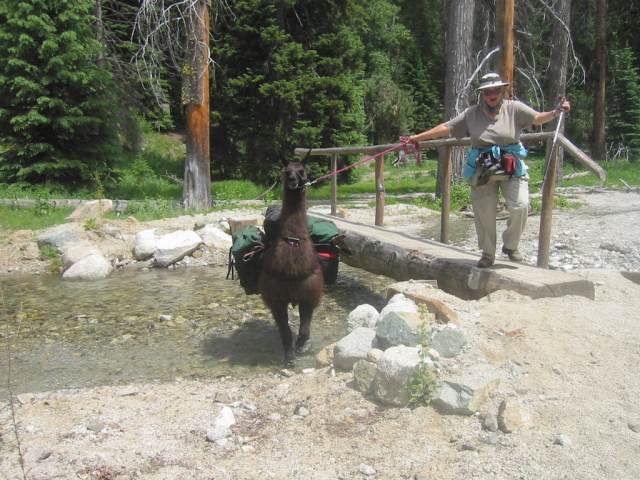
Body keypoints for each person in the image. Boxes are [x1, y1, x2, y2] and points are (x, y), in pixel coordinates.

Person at [404, 72, 571, 268]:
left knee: (521, 205)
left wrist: (556, 112)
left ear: (502, 91)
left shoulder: (514, 108)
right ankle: (487, 253)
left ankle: (511, 246)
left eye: (495, 90)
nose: (492, 95)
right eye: (487, 91)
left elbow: (537, 118)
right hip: (482, 167)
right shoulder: (471, 113)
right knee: (484, 212)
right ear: (482, 94)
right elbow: (447, 127)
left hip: (510, 164)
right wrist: (417, 137)